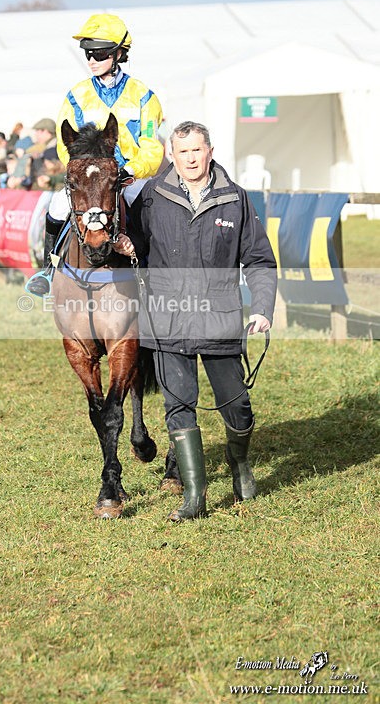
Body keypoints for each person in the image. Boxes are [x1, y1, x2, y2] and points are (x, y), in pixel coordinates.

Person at [139, 121, 277, 521]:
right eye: (182, 152)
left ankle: (240, 462)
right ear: (171, 155)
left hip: (220, 320)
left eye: (197, 150)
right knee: (178, 406)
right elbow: (133, 251)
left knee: (238, 407)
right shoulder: (150, 197)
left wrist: (262, 308)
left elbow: (260, 260)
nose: (190, 159)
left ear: (210, 152)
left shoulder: (235, 199)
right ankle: (194, 497)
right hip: (166, 322)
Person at [26, 13, 164, 296]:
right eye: (88, 53)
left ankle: (156, 278)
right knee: (57, 204)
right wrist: (84, 173)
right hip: (91, 179)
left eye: (99, 54)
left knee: (152, 211)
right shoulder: (76, 96)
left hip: (130, 177)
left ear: (119, 54)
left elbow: (152, 146)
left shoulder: (144, 95)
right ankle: (47, 271)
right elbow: (66, 144)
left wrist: (131, 170)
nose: (91, 60)